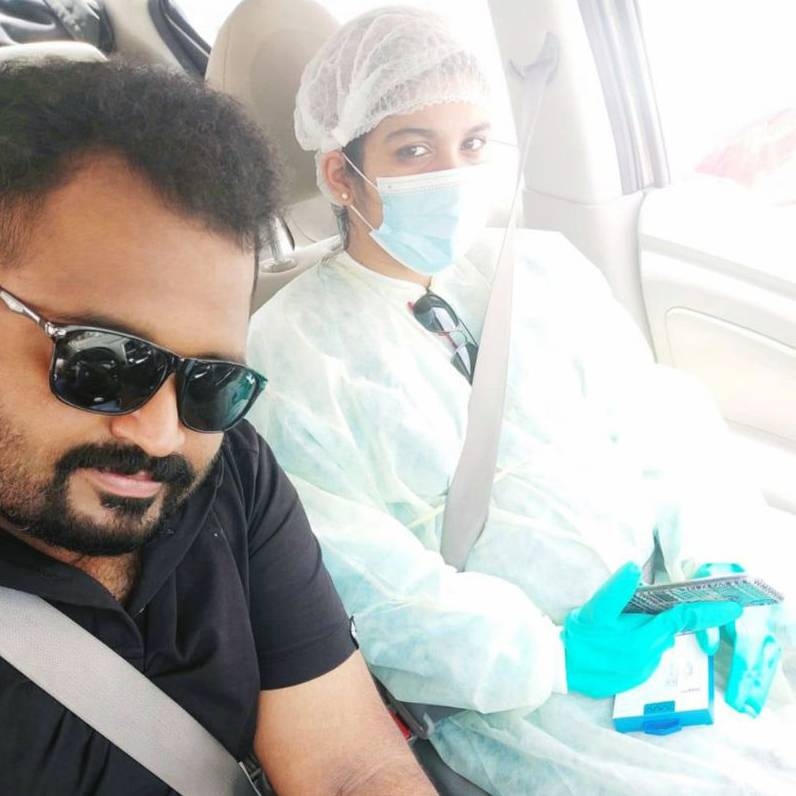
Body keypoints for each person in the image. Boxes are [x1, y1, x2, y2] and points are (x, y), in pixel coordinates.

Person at [247, 6, 796, 795]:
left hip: (667, 633)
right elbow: (358, 579)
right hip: (522, 700)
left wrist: (717, 563)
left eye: (472, 145)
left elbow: (659, 426)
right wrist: (553, 655)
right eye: (413, 149)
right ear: (341, 173)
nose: (452, 172)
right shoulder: (294, 354)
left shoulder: (540, 273)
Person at [0, 57, 436, 796]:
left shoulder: (230, 469)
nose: (162, 435)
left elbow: (348, 768)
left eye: (211, 381)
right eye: (105, 362)